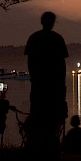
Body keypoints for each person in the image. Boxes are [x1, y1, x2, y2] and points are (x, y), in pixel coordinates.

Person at [23, 10, 69, 150]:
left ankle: (36, 145)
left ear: (41, 22)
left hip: (39, 85)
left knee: (37, 115)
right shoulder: (58, 39)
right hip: (54, 86)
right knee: (52, 117)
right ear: (53, 23)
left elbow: (30, 62)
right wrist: (62, 85)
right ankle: (51, 145)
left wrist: (34, 78)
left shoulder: (34, 38)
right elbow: (62, 65)